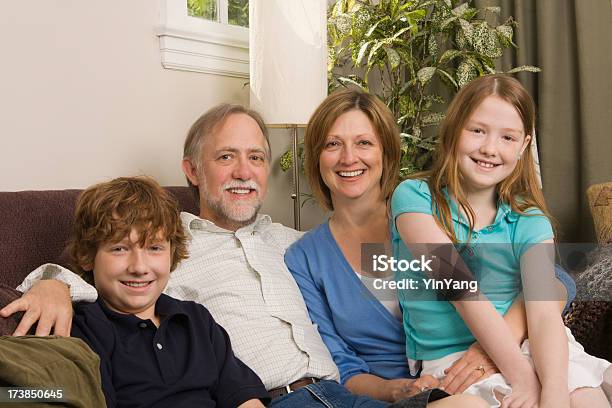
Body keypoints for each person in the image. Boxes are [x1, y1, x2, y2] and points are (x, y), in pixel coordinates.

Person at [2, 103, 448, 407]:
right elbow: (109, 266)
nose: (243, 171)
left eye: (256, 157)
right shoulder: (165, 242)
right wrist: (52, 283)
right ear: (192, 170)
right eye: (226, 157)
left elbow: (471, 290)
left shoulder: (297, 244)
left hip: (348, 394)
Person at [284, 87, 576, 404]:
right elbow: (342, 366)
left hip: (498, 362)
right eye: (332, 145)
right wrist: (397, 389)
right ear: (316, 157)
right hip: (416, 395)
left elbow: (557, 280)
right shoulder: (306, 258)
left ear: (386, 151)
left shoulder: (428, 208)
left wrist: (491, 347)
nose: (349, 158)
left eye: (364, 143)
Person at [391, 74, 611, 407]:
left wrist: (551, 390)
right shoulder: (414, 199)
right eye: (477, 130)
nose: (489, 149)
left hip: (537, 348)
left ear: (523, 146)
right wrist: (522, 378)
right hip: (456, 362)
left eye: (507, 137)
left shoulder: (529, 219)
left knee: (585, 400)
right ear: (453, 131)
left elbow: (542, 316)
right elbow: (460, 289)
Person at [66, 176, 269, 408]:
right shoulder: (87, 328)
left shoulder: (196, 320)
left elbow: (243, 397)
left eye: (154, 248)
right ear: (87, 256)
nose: (139, 268)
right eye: (120, 248)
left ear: (172, 254)